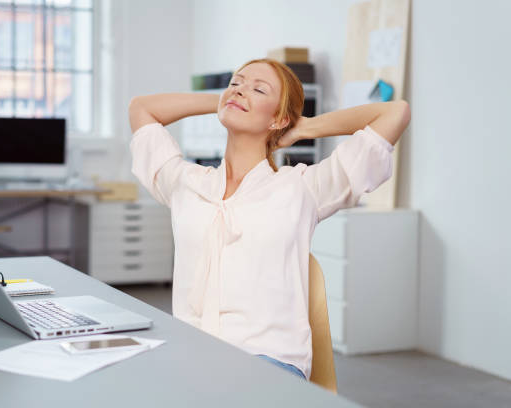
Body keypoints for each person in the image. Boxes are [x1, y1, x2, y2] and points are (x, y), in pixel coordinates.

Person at [128, 58, 410, 380]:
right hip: (190, 355)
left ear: (278, 118)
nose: (241, 90)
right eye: (236, 83)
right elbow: (141, 109)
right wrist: (224, 100)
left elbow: (395, 112)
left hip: (267, 362)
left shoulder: (303, 187)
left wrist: (304, 126)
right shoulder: (186, 182)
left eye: (259, 89)